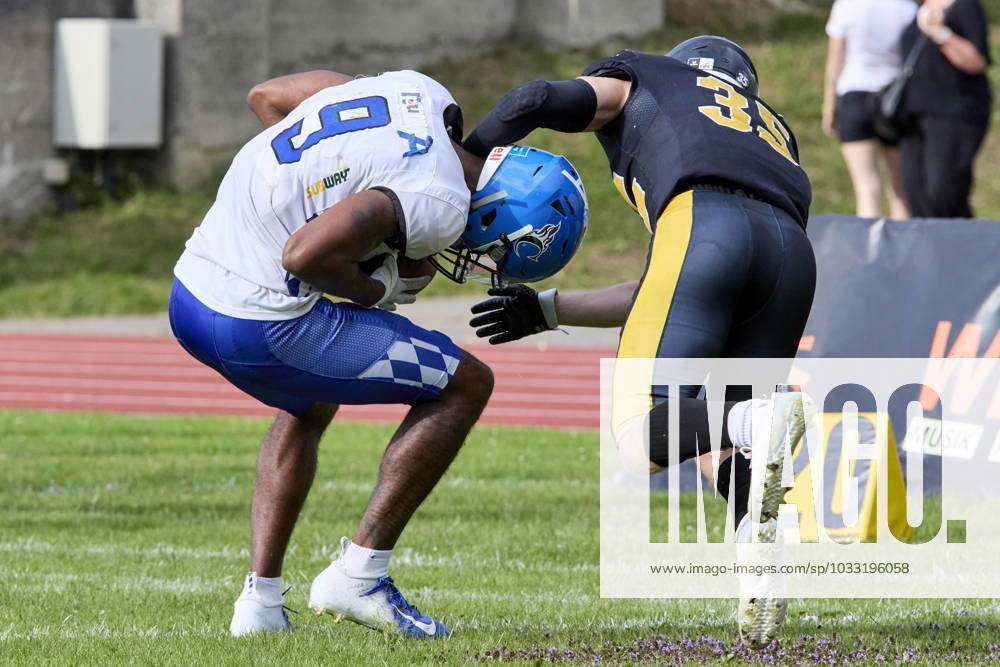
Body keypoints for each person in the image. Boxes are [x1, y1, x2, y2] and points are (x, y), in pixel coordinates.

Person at [168, 68, 585, 638]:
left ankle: (259, 608)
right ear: (495, 216)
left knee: (311, 396)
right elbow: (302, 255)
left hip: (191, 288)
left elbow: (266, 97)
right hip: (256, 321)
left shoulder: (424, 96)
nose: (478, 261)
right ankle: (360, 576)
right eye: (494, 253)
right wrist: (375, 288)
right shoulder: (438, 202)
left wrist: (307, 197)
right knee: (466, 384)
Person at [458, 36, 814, 646]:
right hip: (792, 255)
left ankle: (760, 417)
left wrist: (465, 162)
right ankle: (760, 564)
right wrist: (549, 310)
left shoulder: (652, 78)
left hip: (705, 227)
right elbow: (661, 289)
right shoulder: (773, 131)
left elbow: (536, 97)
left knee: (643, 435)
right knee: (727, 445)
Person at [822, 0, 916, 219]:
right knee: (899, 188)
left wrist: (829, 108)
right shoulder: (907, 8)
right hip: (893, 101)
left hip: (854, 96)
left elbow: (835, 62)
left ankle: (871, 251)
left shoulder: (846, 6)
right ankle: (902, 251)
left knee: (866, 187)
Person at [898, 0, 991, 217]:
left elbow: (976, 61)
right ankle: (929, 248)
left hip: (954, 113)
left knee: (943, 191)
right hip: (913, 117)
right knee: (915, 191)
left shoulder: (965, 6)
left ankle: (963, 244)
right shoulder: (918, 8)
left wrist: (940, 33)